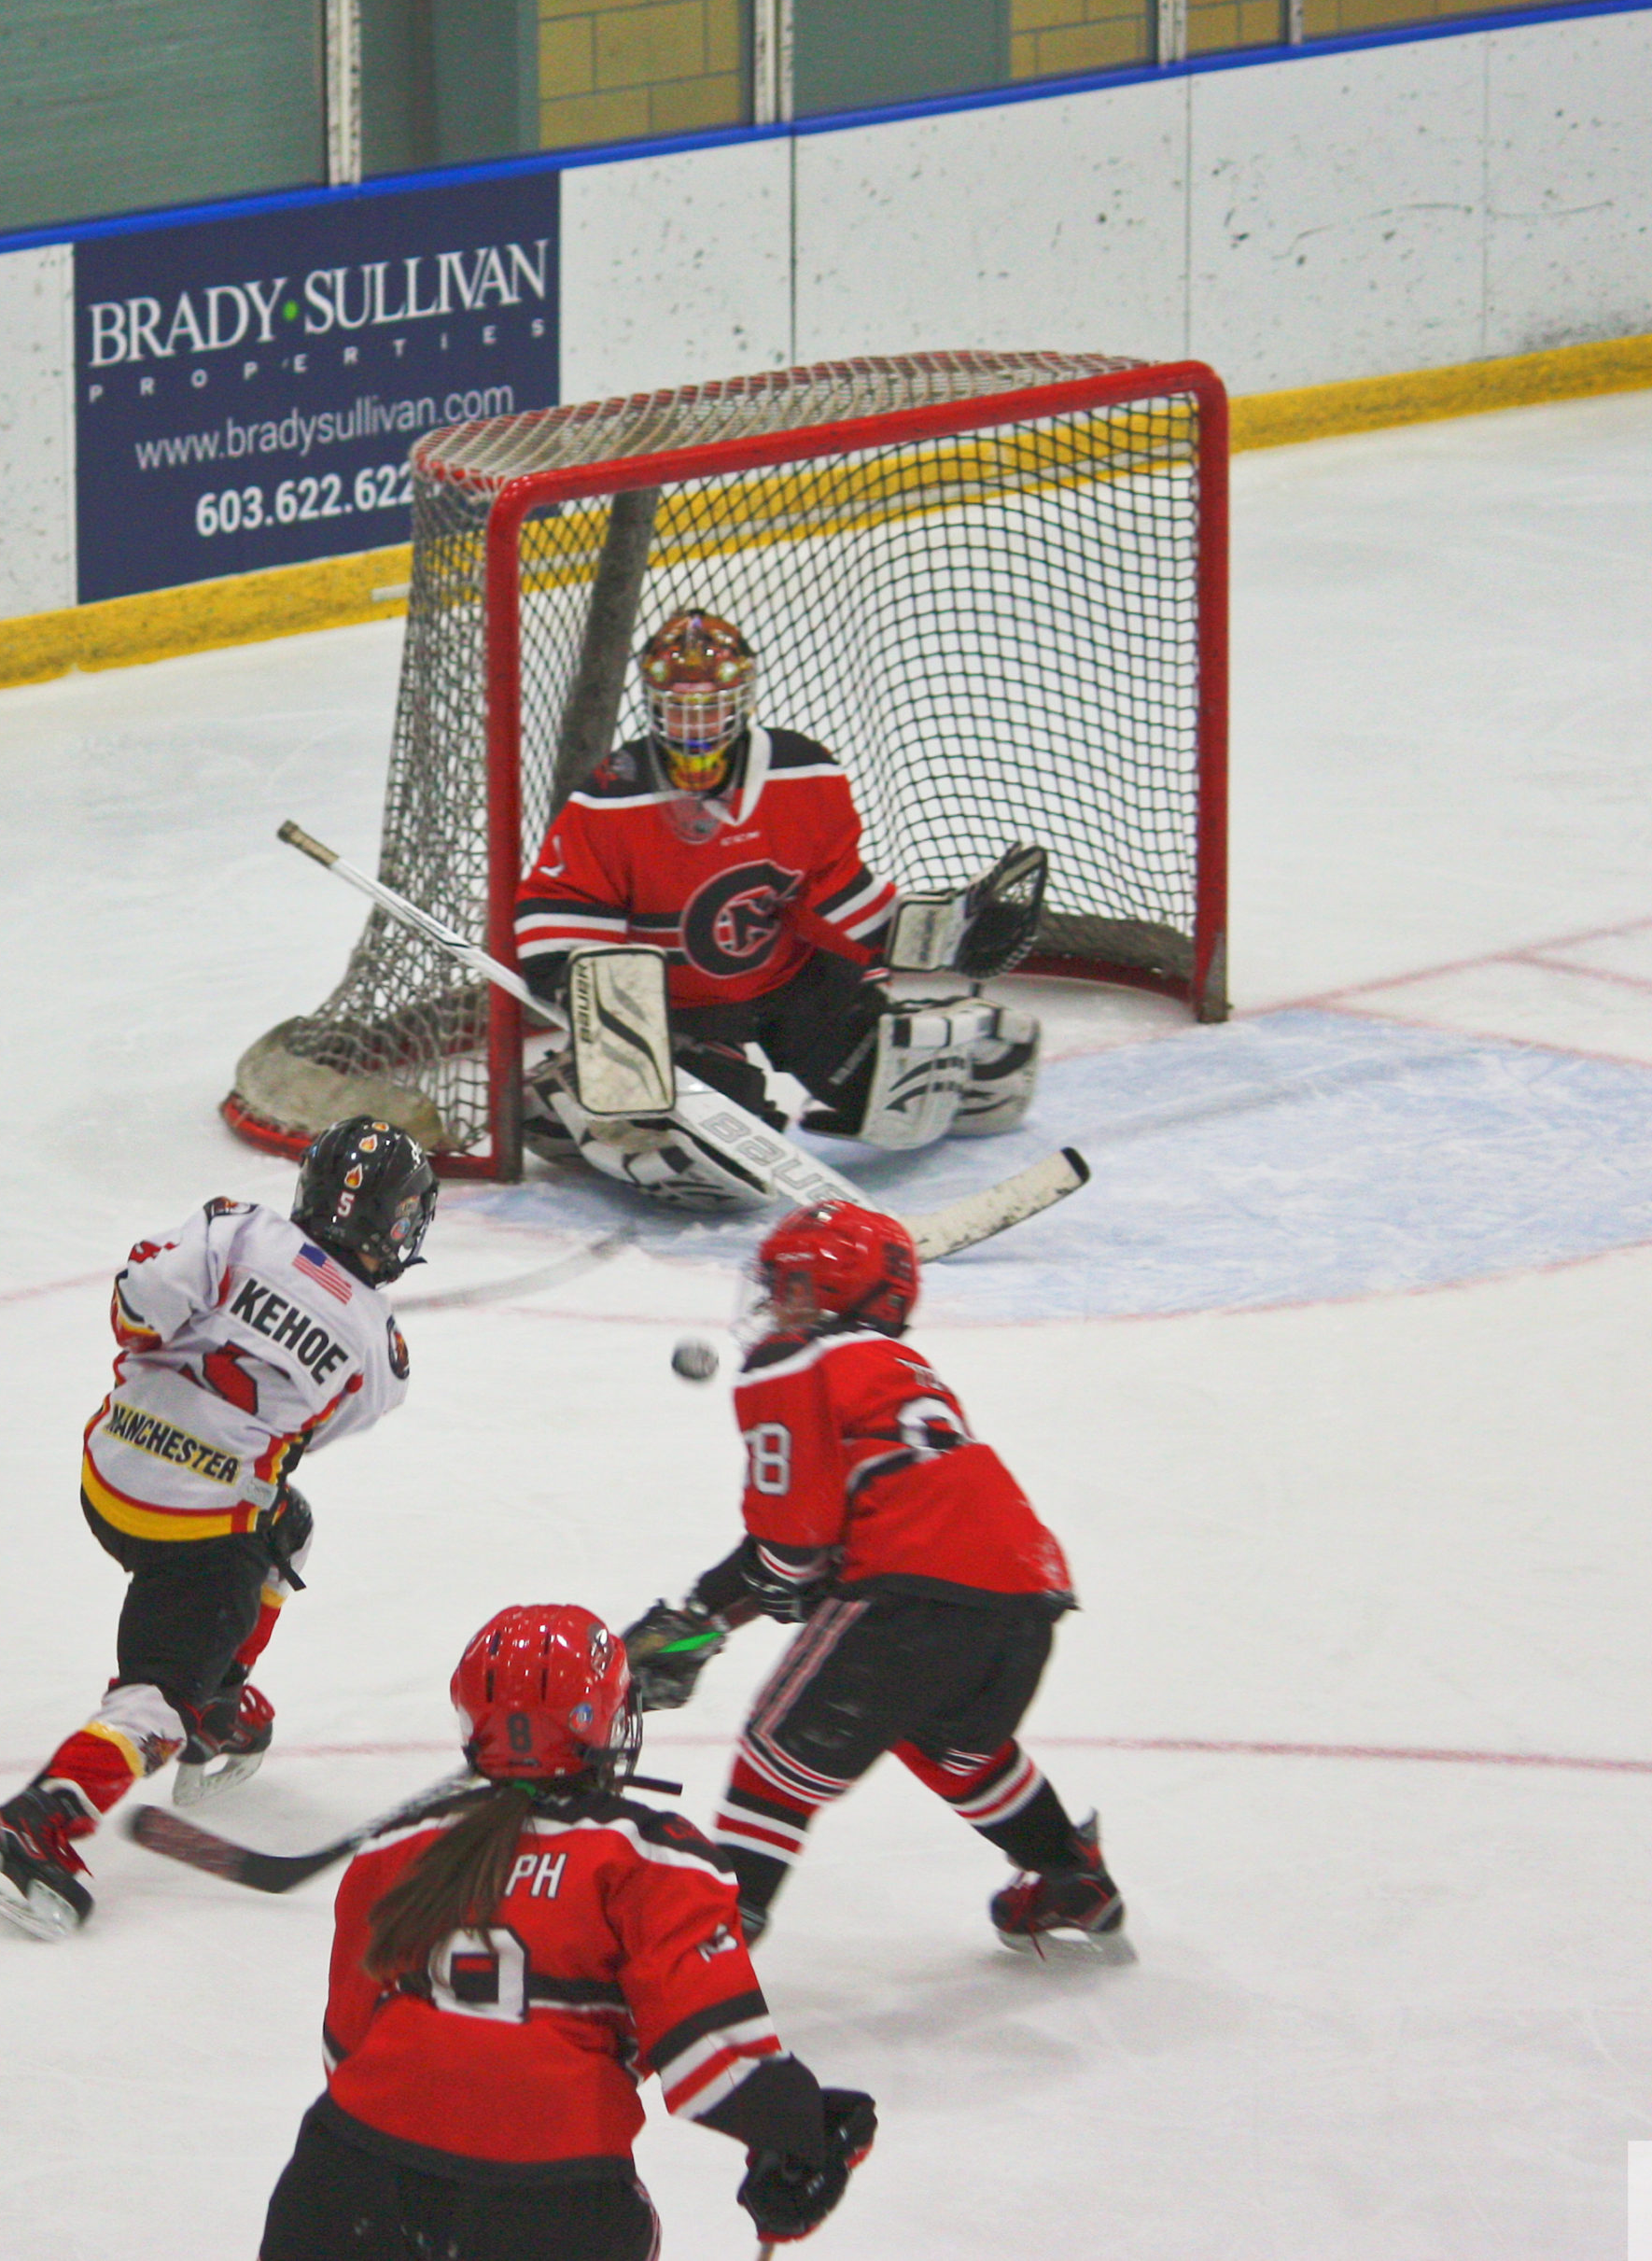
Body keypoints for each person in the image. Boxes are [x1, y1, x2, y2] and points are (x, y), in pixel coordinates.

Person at [0, 1115, 438, 1941]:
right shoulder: (380, 1350)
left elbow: (138, 1302)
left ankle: (219, 1703)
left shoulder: (236, 1228)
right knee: (159, 1694)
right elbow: (301, 1437)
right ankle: (31, 1826)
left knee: (288, 1528)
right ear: (398, 1226)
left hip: (110, 1472)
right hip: (198, 1530)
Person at [259, 1603, 875, 2261]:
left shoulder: (397, 1848)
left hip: (344, 2178)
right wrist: (804, 2134)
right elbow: (715, 2065)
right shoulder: (651, 1857)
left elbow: (347, 2044)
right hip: (545, 2199)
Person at [623, 1200, 1126, 1951]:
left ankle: (702, 1951)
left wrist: (701, 1618)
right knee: (952, 1745)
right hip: (1027, 1591)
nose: (773, 1302)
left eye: (788, 1284)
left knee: (775, 1755)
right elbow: (847, 1526)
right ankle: (1073, 1879)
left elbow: (794, 1545)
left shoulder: (795, 1359)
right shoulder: (900, 1368)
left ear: (831, 1291)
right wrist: (707, 1616)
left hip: (912, 1588)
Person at [512, 608, 1047, 1210]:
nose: (696, 723)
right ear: (654, 704)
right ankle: (567, 1096)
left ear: (744, 698)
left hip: (794, 981)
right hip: (682, 1011)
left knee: (892, 1091)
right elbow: (563, 907)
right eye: (680, 706)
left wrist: (943, 934)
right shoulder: (612, 795)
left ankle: (939, 1039)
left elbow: (837, 892)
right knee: (719, 1158)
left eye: (711, 705)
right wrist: (591, 999)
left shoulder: (801, 771)